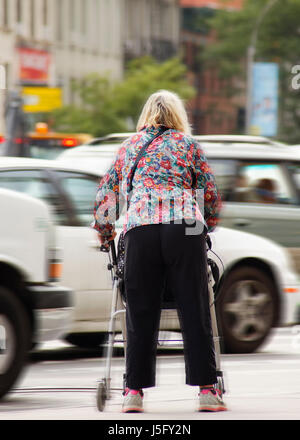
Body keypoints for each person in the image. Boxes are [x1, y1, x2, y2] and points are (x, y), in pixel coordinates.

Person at [91, 90, 227, 413]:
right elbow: (208, 197)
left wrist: (105, 234)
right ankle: (207, 390)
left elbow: (105, 200)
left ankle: (133, 393)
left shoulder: (129, 147)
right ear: (178, 116)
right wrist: (203, 226)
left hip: (140, 230)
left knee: (139, 312)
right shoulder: (188, 146)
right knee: (195, 309)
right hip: (184, 228)